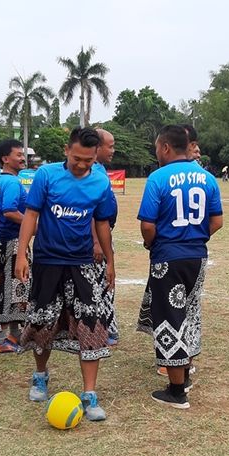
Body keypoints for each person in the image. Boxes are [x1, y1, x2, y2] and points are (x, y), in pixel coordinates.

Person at [15, 127, 116, 421]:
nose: (83, 165)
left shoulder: (100, 181)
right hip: (48, 261)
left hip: (83, 263)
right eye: (77, 158)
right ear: (66, 150)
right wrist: (22, 254)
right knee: (42, 321)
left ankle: (90, 394)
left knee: (92, 324)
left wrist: (110, 261)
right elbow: (31, 215)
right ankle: (40, 376)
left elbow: (102, 223)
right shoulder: (46, 176)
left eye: (89, 159)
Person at [136, 125, 223, 409]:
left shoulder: (158, 178)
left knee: (169, 317)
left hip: (167, 256)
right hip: (197, 256)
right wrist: (195, 239)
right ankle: (184, 373)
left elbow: (148, 225)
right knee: (188, 313)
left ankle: (177, 390)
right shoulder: (208, 178)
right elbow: (217, 221)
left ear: (165, 147)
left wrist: (154, 244)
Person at [0, 139, 29, 353]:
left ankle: (14, 334)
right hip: (11, 243)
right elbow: (9, 211)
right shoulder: (12, 183)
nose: (23, 158)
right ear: (6, 159)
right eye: (18, 154)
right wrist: (34, 225)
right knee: (10, 289)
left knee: (12, 290)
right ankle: (0, 339)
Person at [93, 128, 119, 346]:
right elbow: (92, 211)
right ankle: (104, 330)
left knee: (105, 283)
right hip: (96, 239)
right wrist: (97, 243)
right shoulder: (92, 172)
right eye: (110, 146)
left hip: (104, 234)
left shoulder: (99, 169)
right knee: (102, 284)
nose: (113, 150)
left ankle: (107, 328)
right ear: (97, 147)